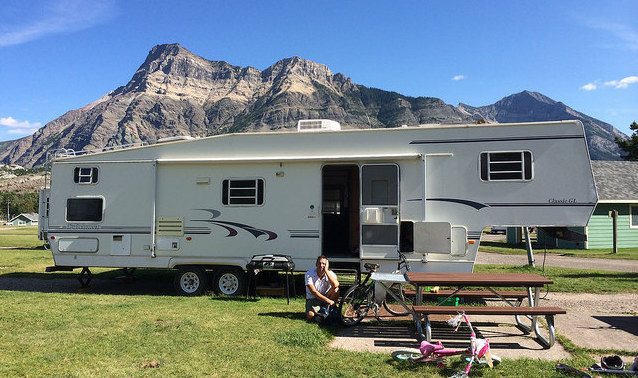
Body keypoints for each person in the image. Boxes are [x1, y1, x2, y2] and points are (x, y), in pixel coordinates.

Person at [305, 255, 339, 322]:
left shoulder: (330, 274)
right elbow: (314, 292)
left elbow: (335, 285)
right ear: (316, 264)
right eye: (319, 263)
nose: (321, 265)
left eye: (324, 264)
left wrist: (326, 270)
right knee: (310, 316)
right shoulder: (309, 274)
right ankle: (322, 316)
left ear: (327, 265)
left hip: (326, 296)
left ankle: (331, 309)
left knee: (336, 289)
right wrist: (328, 301)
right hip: (313, 299)